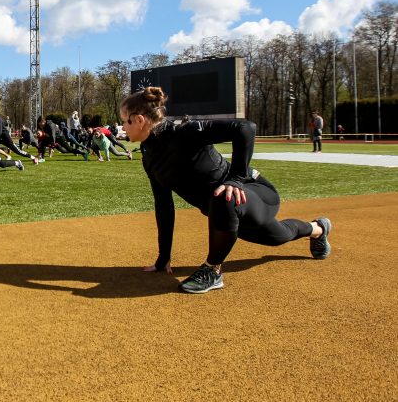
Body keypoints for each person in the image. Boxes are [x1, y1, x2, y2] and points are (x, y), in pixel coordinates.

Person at [120, 86, 332, 294]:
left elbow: (245, 128)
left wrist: (237, 179)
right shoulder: (148, 156)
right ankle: (318, 228)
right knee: (278, 236)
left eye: (124, 121)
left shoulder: (184, 131)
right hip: (227, 211)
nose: (122, 127)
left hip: (253, 191)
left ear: (139, 120)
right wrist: (163, 256)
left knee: (222, 196)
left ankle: (212, 271)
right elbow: (164, 205)